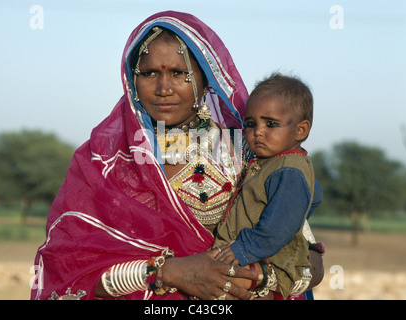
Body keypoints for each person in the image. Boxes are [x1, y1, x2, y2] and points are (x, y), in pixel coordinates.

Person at [30, 11, 323, 300]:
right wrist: (168, 272)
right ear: (131, 79)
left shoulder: (248, 151)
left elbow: (309, 259)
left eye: (179, 73)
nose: (163, 88)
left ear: (205, 78)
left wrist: (258, 279)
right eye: (149, 73)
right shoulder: (103, 163)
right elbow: (70, 271)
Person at [214, 73, 325, 299]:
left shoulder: (288, 170)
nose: (258, 132)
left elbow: (280, 227)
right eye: (251, 124)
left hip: (263, 256)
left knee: (218, 282)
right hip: (253, 252)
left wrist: (244, 248)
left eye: (271, 124)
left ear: (301, 130)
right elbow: (316, 195)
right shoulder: (273, 162)